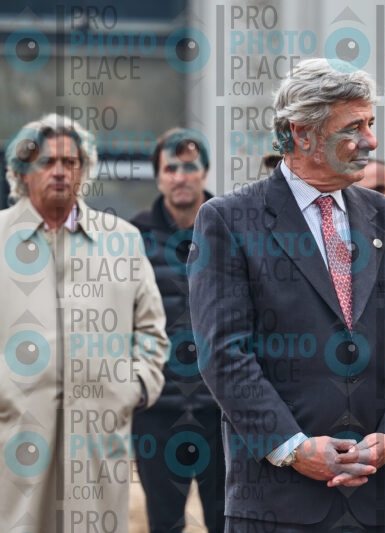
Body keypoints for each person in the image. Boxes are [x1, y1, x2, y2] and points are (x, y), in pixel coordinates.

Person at [187, 58, 385, 532]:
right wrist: (294, 448)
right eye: (353, 127)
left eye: (371, 123)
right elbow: (223, 353)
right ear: (302, 135)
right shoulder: (229, 221)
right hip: (277, 503)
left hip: (376, 500)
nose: (371, 140)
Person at [0, 114, 168, 530]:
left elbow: (151, 330)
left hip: (98, 437)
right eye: (47, 161)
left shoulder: (122, 241)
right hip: (14, 435)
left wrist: (132, 389)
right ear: (23, 171)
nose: (59, 171)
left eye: (70, 162)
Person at [130, 128, 224, 532]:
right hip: (157, 412)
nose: (180, 177)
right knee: (164, 523)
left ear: (205, 172)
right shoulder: (133, 237)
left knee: (229, 520)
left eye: (189, 167)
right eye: (170, 169)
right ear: (158, 177)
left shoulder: (231, 228)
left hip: (222, 411)